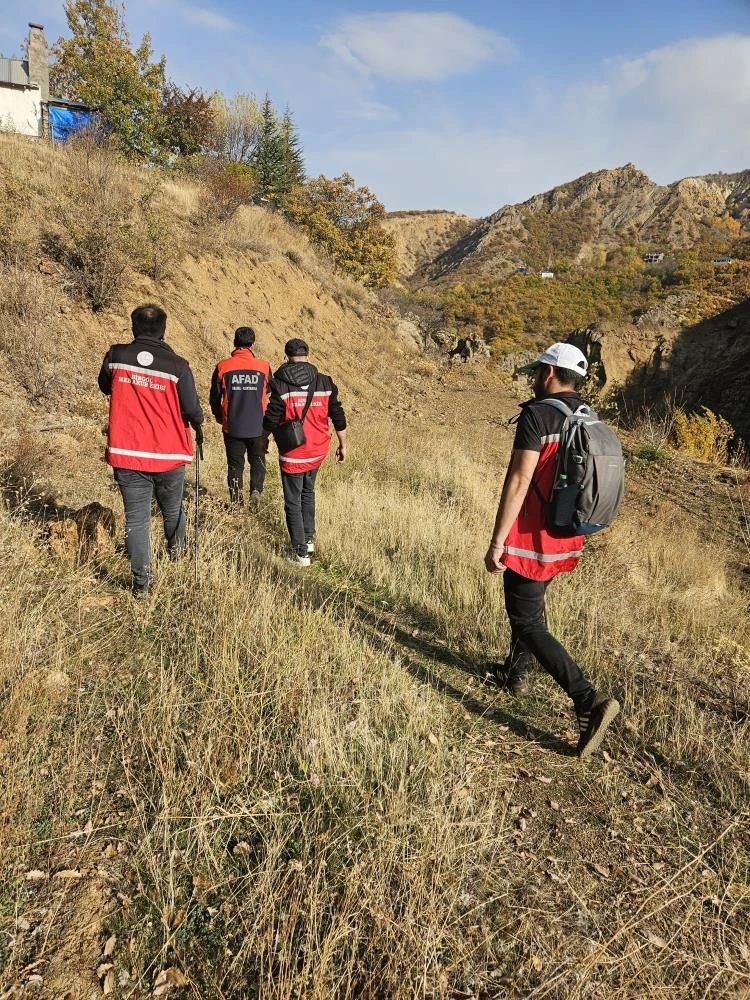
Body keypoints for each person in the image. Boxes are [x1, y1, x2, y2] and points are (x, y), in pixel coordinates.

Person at [484, 342, 620, 759]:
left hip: (531, 537)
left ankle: (587, 700)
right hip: (565, 533)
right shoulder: (587, 416)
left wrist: (497, 540)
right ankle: (514, 673)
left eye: (536, 371)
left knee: (527, 621)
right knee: (531, 607)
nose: (533, 377)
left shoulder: (537, 414)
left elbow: (519, 480)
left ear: (548, 373)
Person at [98, 303, 204, 596]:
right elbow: (192, 408)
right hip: (169, 455)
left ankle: (142, 583)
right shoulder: (178, 366)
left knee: (136, 518)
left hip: (127, 452)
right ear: (164, 330)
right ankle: (178, 557)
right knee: (172, 510)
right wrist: (199, 422)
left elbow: (106, 386)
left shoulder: (116, 356)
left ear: (133, 327)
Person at [262, 338, 347, 566]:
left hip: (293, 451)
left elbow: (271, 418)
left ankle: (301, 554)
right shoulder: (325, 382)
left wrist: (264, 441)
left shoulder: (279, 384)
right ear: (308, 356)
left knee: (292, 501)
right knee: (308, 493)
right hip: (318, 449)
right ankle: (308, 540)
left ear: (287, 357)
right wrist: (343, 444)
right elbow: (337, 414)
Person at [209, 326, 271, 513]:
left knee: (235, 465)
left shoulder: (223, 366)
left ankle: (237, 503)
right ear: (252, 344)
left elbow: (214, 397)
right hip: (258, 426)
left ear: (235, 342)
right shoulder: (264, 366)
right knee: (258, 460)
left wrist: (219, 416)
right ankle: (256, 491)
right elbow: (268, 390)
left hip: (233, 426)